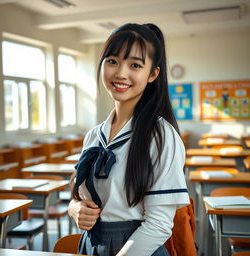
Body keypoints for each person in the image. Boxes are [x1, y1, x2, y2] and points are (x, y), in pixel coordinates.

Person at [68, 23, 190, 256]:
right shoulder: (94, 135)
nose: (121, 73)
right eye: (112, 61)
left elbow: (159, 225)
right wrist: (75, 209)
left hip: (137, 247)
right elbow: (78, 195)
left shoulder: (162, 135)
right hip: (91, 244)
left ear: (153, 74)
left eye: (135, 65)